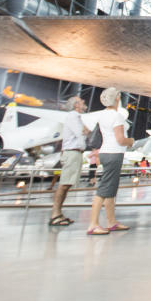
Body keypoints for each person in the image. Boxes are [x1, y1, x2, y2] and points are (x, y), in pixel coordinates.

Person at [81, 87, 133, 235]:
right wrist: (131, 141)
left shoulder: (103, 115)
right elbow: (121, 139)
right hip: (113, 153)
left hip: (105, 151)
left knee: (110, 189)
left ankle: (112, 222)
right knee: (104, 189)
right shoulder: (117, 117)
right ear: (117, 98)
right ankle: (93, 225)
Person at [49, 96, 87, 226]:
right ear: (76, 105)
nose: (84, 102)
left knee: (66, 185)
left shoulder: (77, 117)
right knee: (64, 184)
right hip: (72, 152)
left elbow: (84, 131)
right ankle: (55, 214)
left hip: (74, 152)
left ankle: (59, 213)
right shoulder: (73, 117)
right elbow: (80, 133)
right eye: (81, 101)